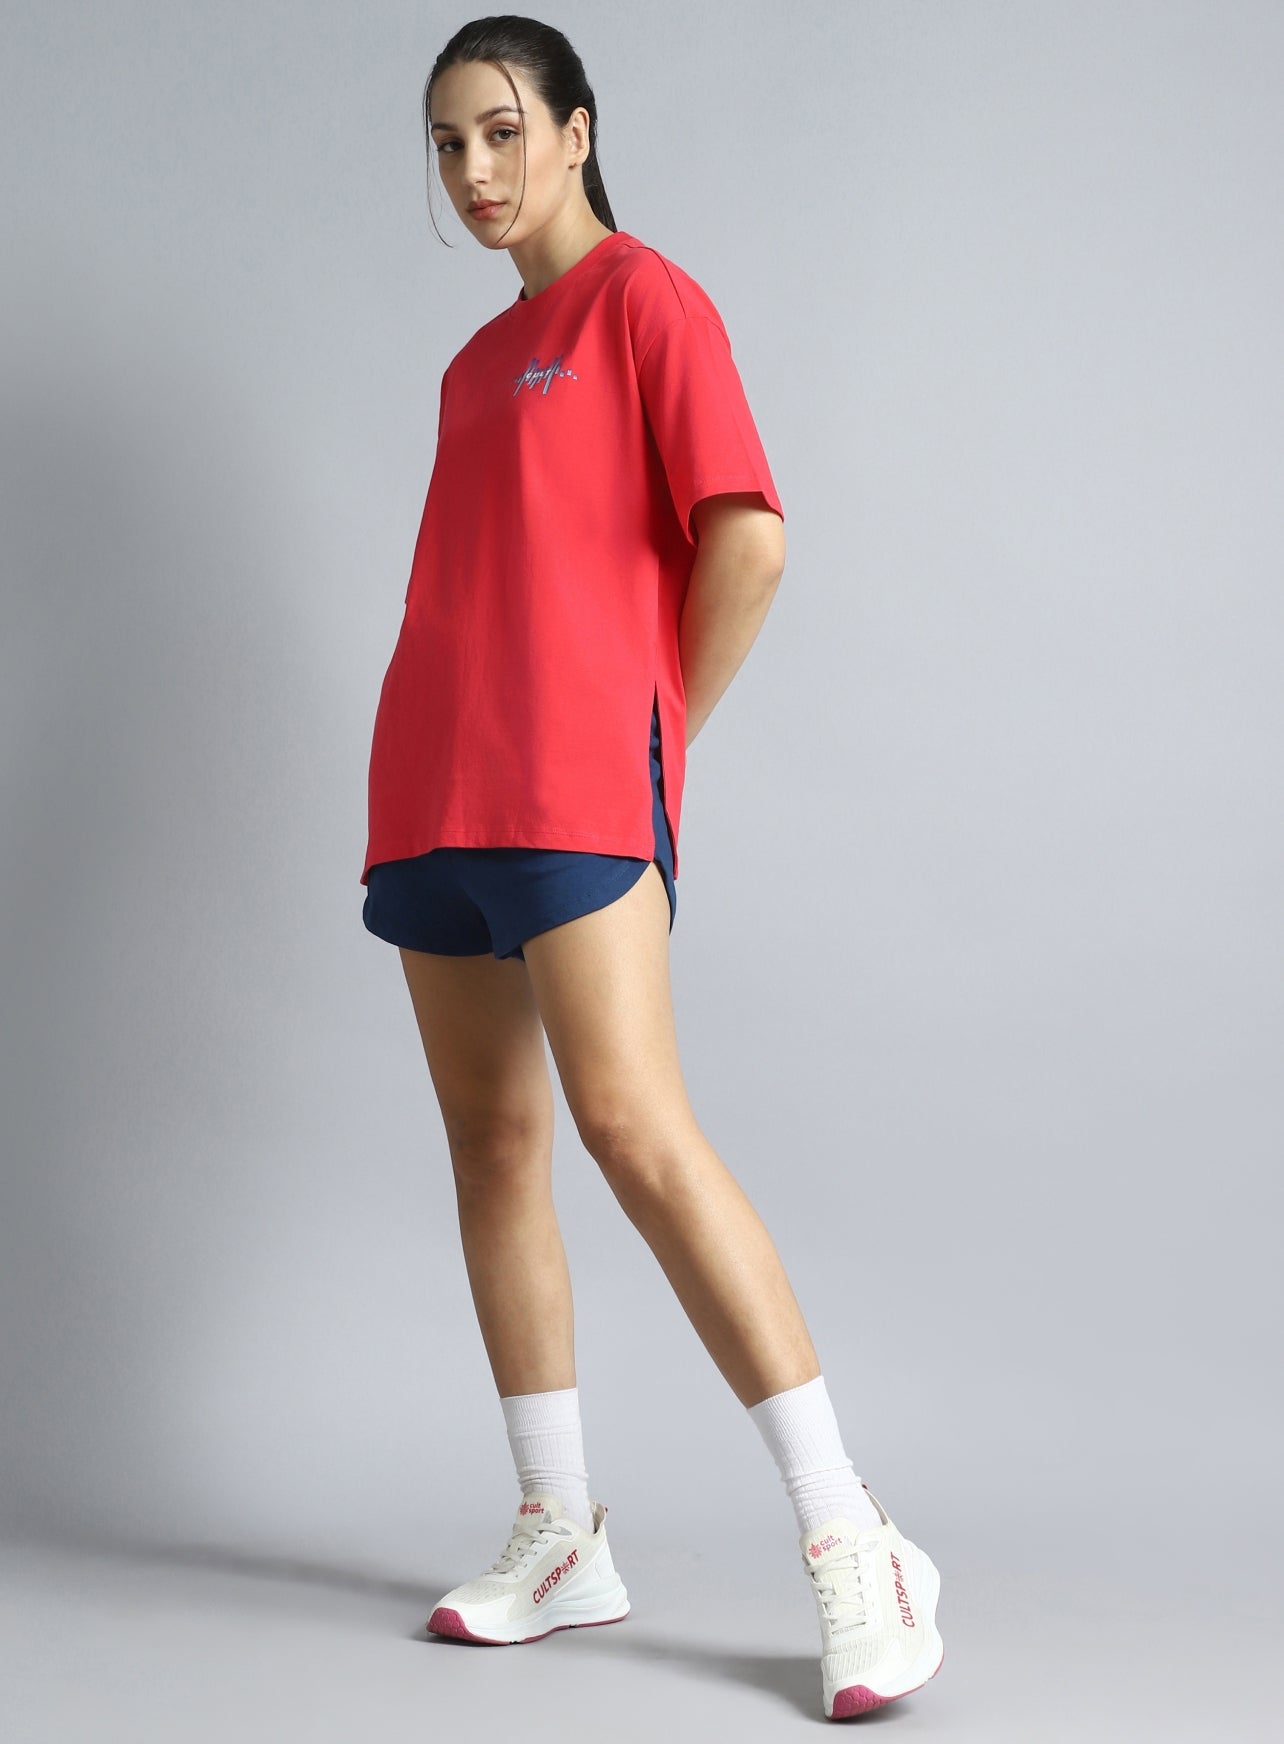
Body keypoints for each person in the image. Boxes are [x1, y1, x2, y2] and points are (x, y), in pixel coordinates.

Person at [359, 15, 944, 1720]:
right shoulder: (476, 364)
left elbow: (747, 537)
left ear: (576, 129)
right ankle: (560, 1534)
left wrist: (654, 735)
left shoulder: (646, 302)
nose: (474, 169)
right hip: (435, 789)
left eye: (502, 130)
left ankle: (854, 1539)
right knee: (495, 1146)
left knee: (634, 1129)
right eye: (447, 142)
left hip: (574, 789)